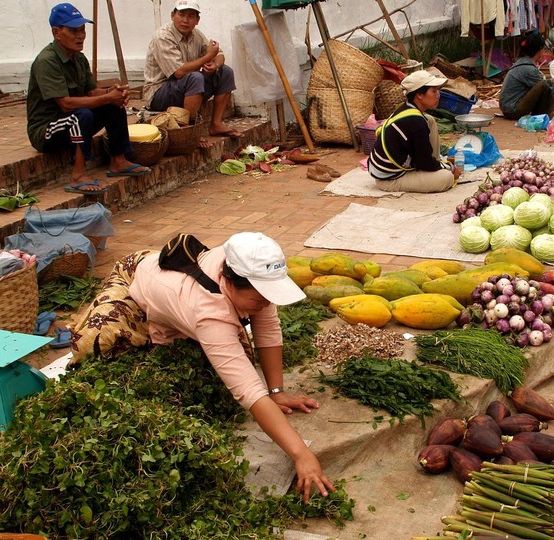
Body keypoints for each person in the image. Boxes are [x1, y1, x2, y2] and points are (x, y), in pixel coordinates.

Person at [124, 232, 334, 501]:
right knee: (100, 339)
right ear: (229, 283)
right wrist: (301, 455)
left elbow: (267, 326)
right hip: (136, 275)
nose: (267, 304)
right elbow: (248, 390)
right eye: (259, 300)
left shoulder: (246, 267)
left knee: (237, 347)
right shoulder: (209, 312)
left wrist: (277, 391)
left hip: (172, 283)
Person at [27, 3, 152, 194]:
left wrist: (114, 93)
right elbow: (66, 104)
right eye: (73, 30)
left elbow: (92, 92)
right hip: (45, 129)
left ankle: (118, 160)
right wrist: (107, 97)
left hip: (72, 119)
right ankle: (78, 174)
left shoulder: (79, 58)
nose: (81, 36)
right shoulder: (47, 61)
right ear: (56, 32)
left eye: (82, 30)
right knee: (81, 115)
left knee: (113, 105)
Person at [143, 0, 241, 149]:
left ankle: (215, 124)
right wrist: (208, 57)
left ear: (197, 20)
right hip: (158, 93)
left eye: (190, 16)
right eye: (181, 14)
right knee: (195, 77)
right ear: (172, 16)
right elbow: (179, 72)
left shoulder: (196, 34)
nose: (185, 20)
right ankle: (192, 131)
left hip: (185, 86)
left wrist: (215, 64)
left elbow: (218, 54)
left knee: (225, 71)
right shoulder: (162, 37)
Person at [368, 70, 459, 193]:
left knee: (430, 120)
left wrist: (439, 165)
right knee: (446, 178)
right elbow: (424, 163)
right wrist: (450, 168)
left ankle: (436, 164)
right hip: (389, 179)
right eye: (433, 91)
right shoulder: (416, 123)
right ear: (419, 95)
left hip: (384, 168)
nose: (438, 95)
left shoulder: (407, 108)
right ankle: (437, 169)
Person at [499, 33, 554, 121]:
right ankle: (549, 114)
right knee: (543, 86)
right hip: (512, 110)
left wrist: (551, 81)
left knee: (543, 85)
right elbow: (548, 89)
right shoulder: (528, 68)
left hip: (508, 108)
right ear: (540, 50)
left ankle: (547, 113)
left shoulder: (522, 63)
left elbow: (536, 83)